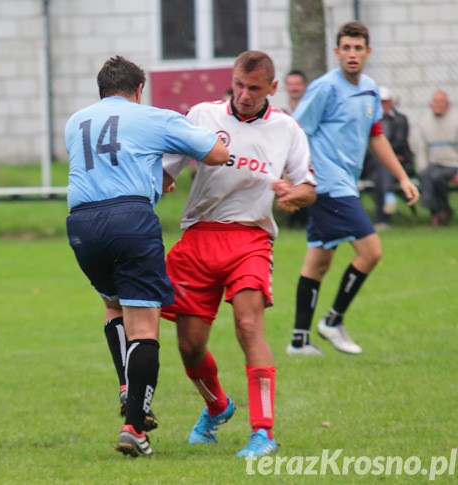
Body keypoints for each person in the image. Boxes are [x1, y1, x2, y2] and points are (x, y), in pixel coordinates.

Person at [65, 55, 228, 457]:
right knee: (144, 325)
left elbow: (112, 160)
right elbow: (216, 154)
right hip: (130, 219)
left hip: (82, 224)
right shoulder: (155, 117)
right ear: (139, 91)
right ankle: (134, 427)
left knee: (113, 306)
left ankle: (127, 387)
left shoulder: (76, 122)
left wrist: (151, 173)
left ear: (101, 90)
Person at [160, 51, 316, 458]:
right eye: (239, 86)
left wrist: (291, 193)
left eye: (255, 89)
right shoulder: (201, 117)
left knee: (249, 326)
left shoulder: (286, 129)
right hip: (199, 237)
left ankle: (263, 432)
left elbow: (307, 187)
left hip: (250, 238)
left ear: (272, 89)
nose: (244, 96)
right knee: (190, 347)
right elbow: (165, 172)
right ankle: (217, 406)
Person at [286, 21, 419, 357]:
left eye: (358, 48)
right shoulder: (324, 89)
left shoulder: (371, 89)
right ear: (336, 52)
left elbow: (375, 135)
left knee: (317, 262)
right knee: (371, 251)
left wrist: (402, 178)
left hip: (345, 183)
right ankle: (333, 321)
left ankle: (299, 340)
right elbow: (295, 132)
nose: (352, 54)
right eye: (346, 48)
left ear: (368, 52)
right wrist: (294, 177)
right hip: (329, 186)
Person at [361, 87, 415, 230]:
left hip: (400, 163)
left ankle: (382, 218)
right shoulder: (367, 120)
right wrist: (382, 155)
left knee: (382, 168)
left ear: (390, 102)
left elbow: (400, 142)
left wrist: (385, 153)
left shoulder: (400, 119)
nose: (381, 105)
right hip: (373, 164)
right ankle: (388, 197)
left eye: (384, 102)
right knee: (381, 167)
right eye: (378, 102)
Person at [415, 89, 458, 227]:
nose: (438, 105)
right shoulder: (424, 122)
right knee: (426, 175)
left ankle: (441, 211)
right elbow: (421, 149)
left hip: (453, 164)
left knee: (436, 177)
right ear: (430, 105)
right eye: (436, 102)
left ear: (448, 105)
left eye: (442, 102)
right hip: (434, 164)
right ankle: (438, 211)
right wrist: (422, 168)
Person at [281, 69, 311, 228]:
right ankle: (291, 218)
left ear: (304, 86)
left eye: (297, 84)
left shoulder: (311, 110)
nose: (294, 88)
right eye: (291, 84)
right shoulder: (281, 113)